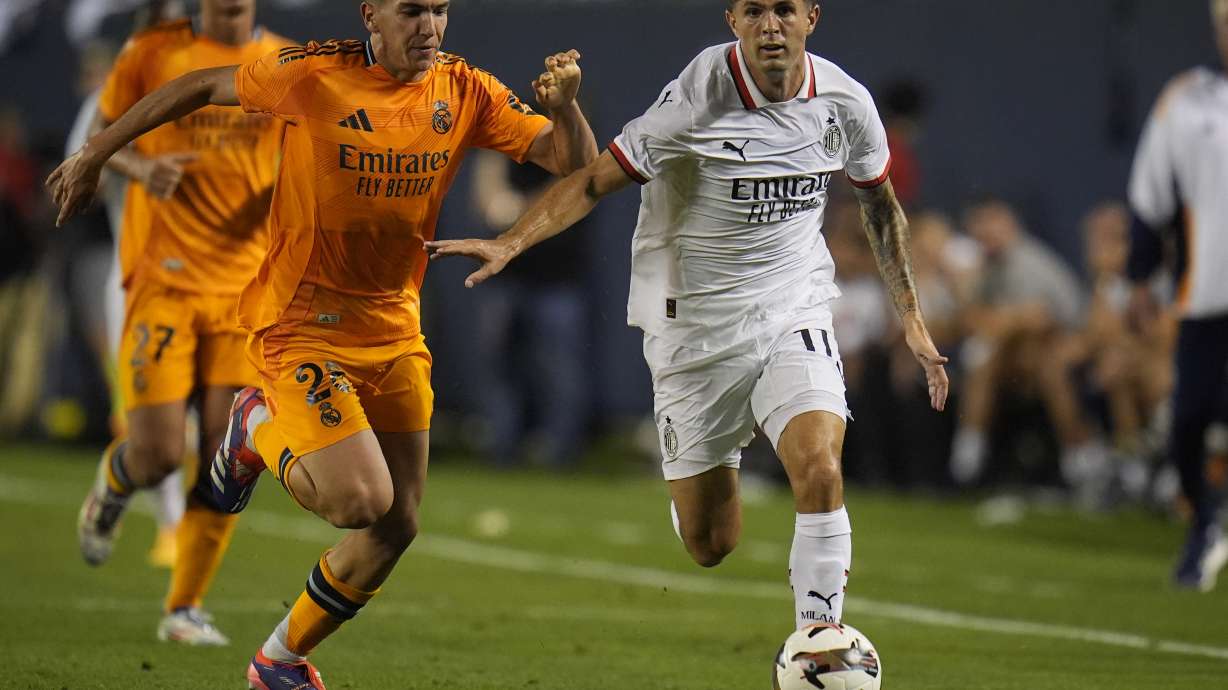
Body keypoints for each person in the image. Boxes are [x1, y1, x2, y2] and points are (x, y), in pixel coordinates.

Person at [48, 0, 597, 684]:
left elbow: (575, 165)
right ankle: (254, 429)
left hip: (394, 327)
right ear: (372, 15)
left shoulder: (464, 88)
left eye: (439, 11)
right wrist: (97, 153)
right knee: (359, 502)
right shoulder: (313, 75)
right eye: (411, 12)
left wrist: (569, 107)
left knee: (397, 524)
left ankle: (278, 661)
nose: (428, 27)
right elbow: (197, 86)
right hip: (302, 324)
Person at [427, 0, 949, 632]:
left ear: (812, 16)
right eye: (753, 11)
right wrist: (511, 239)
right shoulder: (698, 96)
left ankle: (821, 640)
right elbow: (594, 181)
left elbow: (880, 205)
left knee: (820, 468)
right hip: (695, 327)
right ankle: (705, 476)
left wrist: (911, 316)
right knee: (711, 542)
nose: (770, 25)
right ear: (732, 20)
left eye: (784, 9)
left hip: (793, 306)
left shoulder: (845, 102)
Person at [68, 0, 289, 646]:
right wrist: (140, 167)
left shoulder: (284, 61)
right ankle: (117, 479)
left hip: (243, 287)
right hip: (163, 281)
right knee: (161, 454)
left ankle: (184, 607)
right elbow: (96, 142)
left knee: (228, 452)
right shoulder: (152, 53)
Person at [1126, 0, 1228, 591]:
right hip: (1208, 292)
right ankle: (1203, 524)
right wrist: (1140, 277)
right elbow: (1151, 198)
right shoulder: (1187, 101)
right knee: (1188, 419)